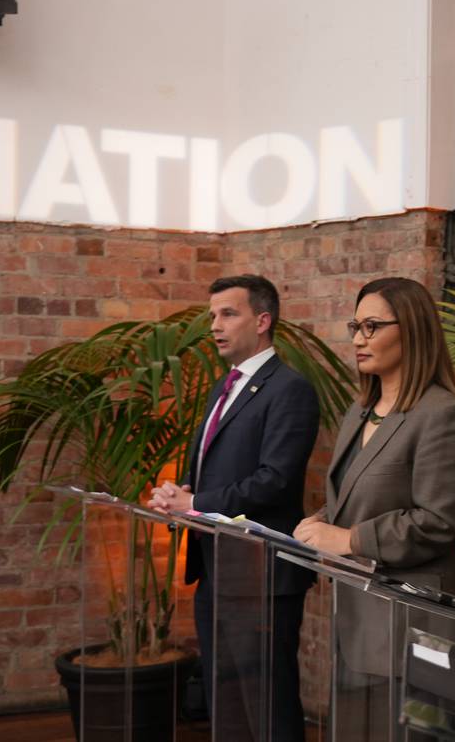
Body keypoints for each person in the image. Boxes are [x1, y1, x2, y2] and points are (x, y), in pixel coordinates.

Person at [293, 276, 455, 738]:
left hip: (417, 619)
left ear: (412, 329)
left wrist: (349, 538)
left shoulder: (442, 415)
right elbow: (358, 494)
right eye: (356, 325)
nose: (358, 338)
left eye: (372, 326)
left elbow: (439, 522)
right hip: (360, 611)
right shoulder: (360, 410)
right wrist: (319, 522)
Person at [148, 274, 319, 742]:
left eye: (229, 313)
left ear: (263, 321)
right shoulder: (225, 385)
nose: (215, 326)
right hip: (216, 567)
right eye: (212, 316)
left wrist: (197, 503)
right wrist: (180, 492)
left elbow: (275, 480)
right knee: (227, 701)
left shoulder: (289, 389)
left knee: (268, 705)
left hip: (262, 574)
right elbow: (216, 468)